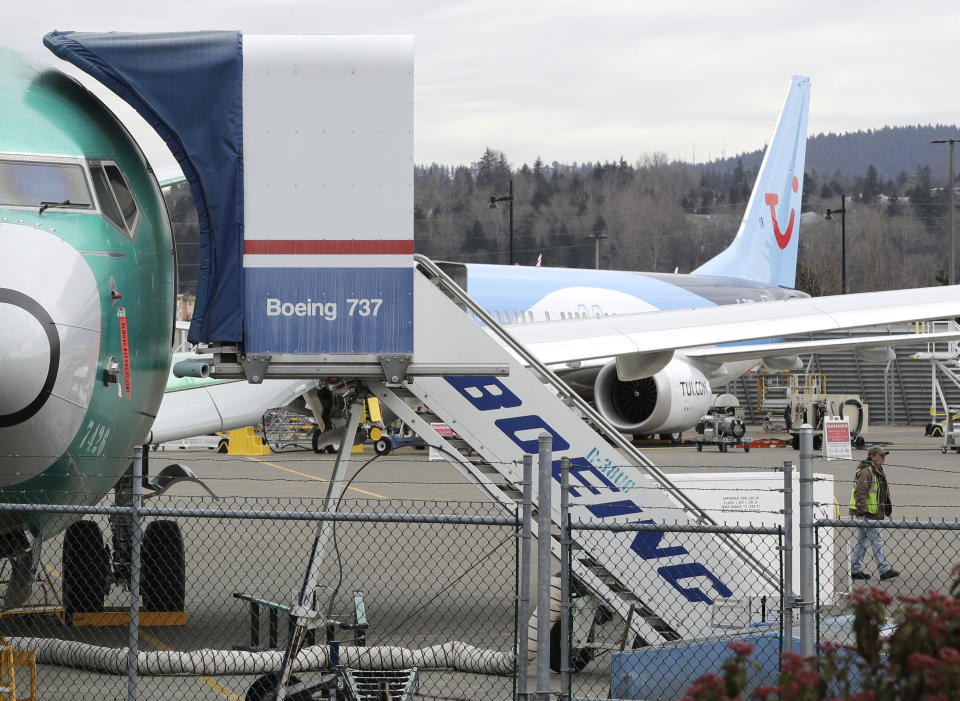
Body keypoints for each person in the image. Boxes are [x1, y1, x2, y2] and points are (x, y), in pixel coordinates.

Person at [849, 445, 899, 581]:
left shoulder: (878, 469)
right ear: (873, 457)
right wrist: (861, 512)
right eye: (881, 455)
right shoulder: (866, 471)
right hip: (867, 513)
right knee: (877, 540)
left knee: (863, 541)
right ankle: (884, 569)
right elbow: (860, 492)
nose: (884, 457)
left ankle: (855, 569)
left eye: (884, 455)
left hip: (873, 512)